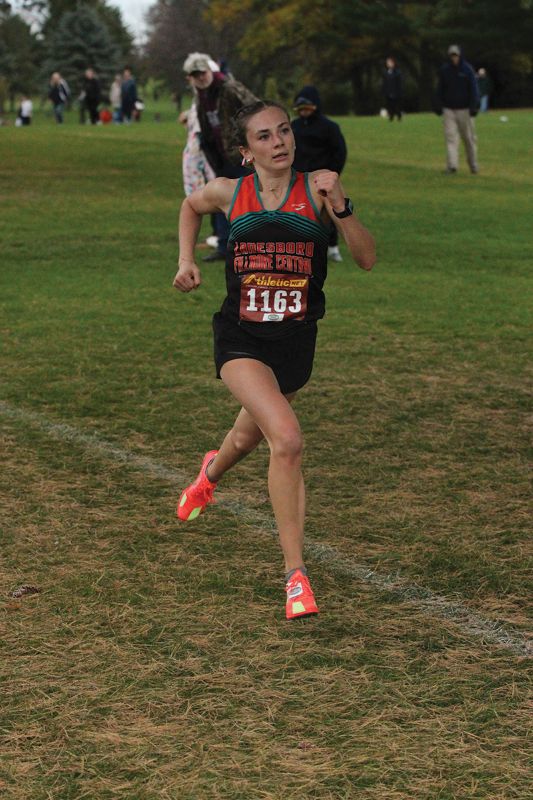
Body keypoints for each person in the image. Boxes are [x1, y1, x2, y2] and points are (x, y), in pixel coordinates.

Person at [172, 101, 376, 620]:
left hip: (295, 341)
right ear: (246, 152)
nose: (279, 142)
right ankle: (295, 577)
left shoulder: (318, 189)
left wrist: (343, 206)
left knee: (246, 436)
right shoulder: (230, 191)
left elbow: (367, 259)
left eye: (284, 131)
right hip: (241, 338)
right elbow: (191, 206)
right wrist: (186, 260)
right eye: (264, 137)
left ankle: (206, 479)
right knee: (285, 439)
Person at [182, 52, 257, 263]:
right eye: (195, 75)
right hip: (218, 157)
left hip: (240, 154)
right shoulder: (200, 95)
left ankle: (250, 246)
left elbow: (255, 108)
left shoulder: (229, 88)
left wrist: (248, 140)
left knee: (246, 199)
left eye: (202, 73)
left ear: (209, 70)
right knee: (222, 199)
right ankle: (225, 246)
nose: (200, 77)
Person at [291, 85, 347, 263]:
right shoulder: (294, 127)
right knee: (300, 212)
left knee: (328, 213)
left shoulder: (329, 127)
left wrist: (332, 174)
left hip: (323, 179)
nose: (304, 112)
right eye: (301, 108)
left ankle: (332, 247)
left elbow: (340, 152)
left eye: (307, 107)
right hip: (299, 177)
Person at [435, 45, 479, 174]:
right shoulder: (445, 70)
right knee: (451, 138)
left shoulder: (467, 70)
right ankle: (452, 165)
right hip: (449, 109)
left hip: (464, 109)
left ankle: (473, 164)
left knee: (468, 138)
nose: (454, 58)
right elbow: (440, 89)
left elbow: (474, 89)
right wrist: (438, 104)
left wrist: (474, 106)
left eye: (456, 55)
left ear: (460, 55)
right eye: (452, 55)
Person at [382, 57, 403, 121]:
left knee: (397, 105)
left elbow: (399, 83)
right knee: (390, 105)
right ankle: (391, 117)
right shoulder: (386, 73)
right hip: (388, 92)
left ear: (393, 63)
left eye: (389, 62)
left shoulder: (397, 72)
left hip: (396, 92)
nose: (388, 64)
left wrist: (399, 92)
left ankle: (399, 117)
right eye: (387, 63)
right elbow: (385, 83)